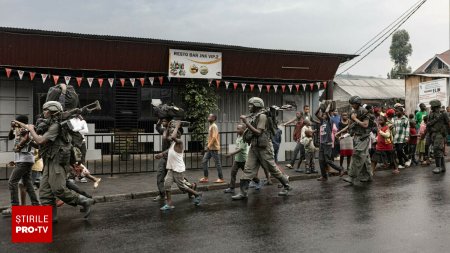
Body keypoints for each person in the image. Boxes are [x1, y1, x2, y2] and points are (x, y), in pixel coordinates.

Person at [14, 101, 95, 220]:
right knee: (45, 192)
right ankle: (51, 217)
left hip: (57, 161)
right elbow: (41, 145)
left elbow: (41, 140)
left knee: (58, 189)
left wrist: (31, 130)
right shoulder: (49, 125)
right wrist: (28, 140)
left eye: (46, 110)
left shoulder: (56, 126)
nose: (44, 112)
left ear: (52, 111)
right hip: (49, 161)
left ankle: (84, 201)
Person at [232, 97, 292, 200]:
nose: (249, 107)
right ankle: (243, 193)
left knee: (272, 169)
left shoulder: (262, 116)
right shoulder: (255, 116)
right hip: (254, 147)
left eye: (251, 105)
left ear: (256, 105)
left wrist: (246, 123)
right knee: (248, 169)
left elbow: (258, 132)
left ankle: (286, 185)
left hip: (264, 148)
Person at [158, 121, 202, 210]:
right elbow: (167, 144)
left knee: (182, 187)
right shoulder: (173, 143)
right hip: (171, 169)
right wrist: (161, 154)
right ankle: (169, 204)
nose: (171, 135)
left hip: (178, 169)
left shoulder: (179, 142)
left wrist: (177, 126)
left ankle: (197, 194)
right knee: (167, 184)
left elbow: (173, 136)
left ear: (178, 135)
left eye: (173, 133)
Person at [2, 115, 40, 217]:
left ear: (21, 122)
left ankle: (15, 207)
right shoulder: (18, 129)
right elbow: (10, 137)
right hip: (21, 160)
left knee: (12, 181)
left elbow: (29, 142)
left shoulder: (28, 129)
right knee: (28, 183)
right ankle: (36, 205)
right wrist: (12, 128)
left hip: (25, 160)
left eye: (16, 122)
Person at [343, 96, 373, 185]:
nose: (352, 105)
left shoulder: (363, 111)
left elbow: (365, 125)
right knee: (365, 157)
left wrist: (355, 119)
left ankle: (351, 177)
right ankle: (368, 175)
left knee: (358, 155)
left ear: (358, 103)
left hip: (364, 136)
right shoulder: (352, 112)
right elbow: (350, 125)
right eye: (351, 104)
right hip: (356, 136)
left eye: (354, 104)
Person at [224, 124, 261, 193]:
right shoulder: (238, 136)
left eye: (238, 129)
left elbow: (240, 149)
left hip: (244, 160)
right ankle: (232, 188)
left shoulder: (244, 138)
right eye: (237, 128)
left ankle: (258, 182)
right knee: (233, 173)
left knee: (249, 174)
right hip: (237, 160)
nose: (236, 130)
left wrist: (231, 154)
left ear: (243, 130)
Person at [316, 108, 344, 181]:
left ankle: (340, 169)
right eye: (323, 114)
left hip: (328, 143)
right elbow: (316, 114)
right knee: (321, 160)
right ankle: (324, 176)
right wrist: (320, 107)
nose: (324, 115)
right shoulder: (322, 121)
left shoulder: (330, 121)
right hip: (322, 143)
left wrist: (327, 107)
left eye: (325, 114)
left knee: (327, 160)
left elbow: (327, 114)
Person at [426, 99, 450, 174]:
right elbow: (429, 123)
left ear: (435, 106)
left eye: (431, 106)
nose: (431, 107)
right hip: (433, 133)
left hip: (440, 133)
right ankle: (442, 167)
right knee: (438, 149)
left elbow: (448, 123)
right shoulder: (431, 113)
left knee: (437, 148)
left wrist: (447, 134)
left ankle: (438, 167)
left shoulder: (443, 113)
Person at [200, 114, 224, 183]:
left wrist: (208, 146)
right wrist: (207, 145)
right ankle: (206, 177)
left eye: (210, 117)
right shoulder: (211, 126)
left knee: (217, 163)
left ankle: (221, 178)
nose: (208, 118)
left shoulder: (214, 126)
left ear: (214, 118)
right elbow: (210, 137)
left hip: (214, 148)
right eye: (208, 116)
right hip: (210, 148)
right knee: (204, 161)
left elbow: (214, 137)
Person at [154, 117, 172, 201]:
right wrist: (160, 119)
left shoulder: (173, 132)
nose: (163, 122)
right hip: (164, 159)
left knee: (177, 178)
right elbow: (157, 128)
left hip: (171, 159)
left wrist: (162, 153)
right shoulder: (164, 130)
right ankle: (162, 194)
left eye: (165, 121)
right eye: (163, 121)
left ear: (169, 122)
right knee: (160, 176)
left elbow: (173, 147)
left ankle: (190, 187)